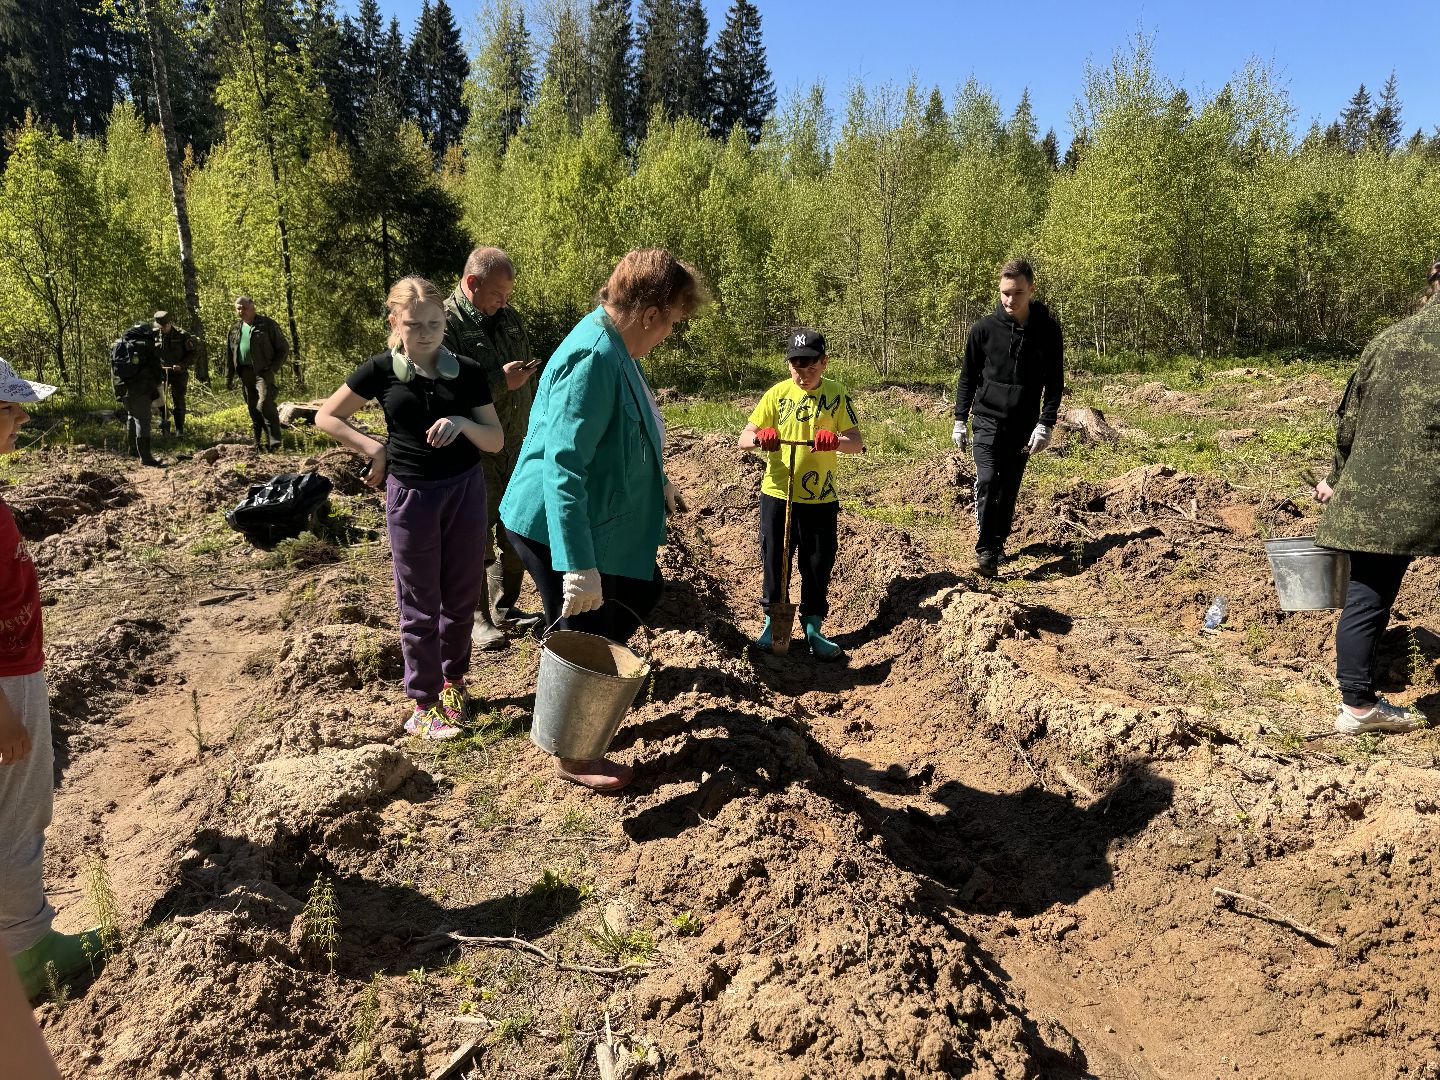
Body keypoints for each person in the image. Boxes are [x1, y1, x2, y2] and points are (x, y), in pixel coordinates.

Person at [500, 248, 705, 792]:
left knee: (638, 594)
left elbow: (629, 421)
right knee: (586, 624)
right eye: (673, 324)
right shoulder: (595, 355)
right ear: (650, 313)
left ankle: (569, 702)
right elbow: (564, 466)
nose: (668, 335)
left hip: (595, 516)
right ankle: (573, 752)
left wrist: (658, 478)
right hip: (553, 522)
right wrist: (577, 566)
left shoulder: (614, 345)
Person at [316, 277, 504, 742]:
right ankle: (424, 701)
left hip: (464, 491)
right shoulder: (380, 370)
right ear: (395, 323)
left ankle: (453, 683)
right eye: (415, 324)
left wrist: (462, 422)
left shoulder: (468, 371)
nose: (425, 333)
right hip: (412, 496)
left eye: (435, 324)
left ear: (446, 322)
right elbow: (327, 415)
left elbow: (495, 440)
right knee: (419, 603)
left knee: (460, 597)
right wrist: (373, 448)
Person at [0, 359, 103, 1003]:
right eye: (11, 410)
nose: (23, 418)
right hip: (5, 681)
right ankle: (26, 949)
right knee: (17, 807)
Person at [1313, 282, 1439, 735]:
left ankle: (1358, 708)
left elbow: (1348, 421)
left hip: (1373, 498)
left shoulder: (1388, 341)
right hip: (1429, 494)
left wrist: (1336, 478)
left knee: (1367, 598)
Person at [739, 329, 864, 660]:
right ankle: (774, 623)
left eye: (810, 366)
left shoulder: (836, 396)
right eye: (796, 366)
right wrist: (761, 437)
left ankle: (813, 625)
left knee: (817, 560)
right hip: (778, 493)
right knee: (775, 557)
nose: (802, 373)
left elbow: (857, 441)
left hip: (820, 497)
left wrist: (835, 440)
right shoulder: (777, 395)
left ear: (823, 363)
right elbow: (744, 438)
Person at [442, 247, 542, 650]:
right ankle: (477, 618)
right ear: (472, 282)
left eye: (508, 293)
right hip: (473, 450)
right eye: (498, 292)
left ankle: (505, 607)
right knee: (474, 535)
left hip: (516, 442)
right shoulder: (445, 323)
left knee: (518, 527)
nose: (505, 301)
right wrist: (500, 383)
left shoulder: (509, 319)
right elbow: (444, 391)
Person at [951, 258, 1064, 578]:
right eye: (1004, 293)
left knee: (1008, 486)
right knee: (987, 479)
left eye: (1017, 293)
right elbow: (968, 377)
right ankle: (986, 550)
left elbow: (1055, 382)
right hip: (986, 418)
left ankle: (998, 542)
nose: (1009, 300)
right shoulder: (983, 330)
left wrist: (1046, 423)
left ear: (1031, 289)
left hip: (1024, 422)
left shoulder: (1047, 331)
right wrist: (960, 419)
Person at [226, 296, 288, 451]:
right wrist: (229, 376)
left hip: (263, 371)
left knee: (265, 402)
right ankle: (258, 442)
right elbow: (229, 354)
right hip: (244, 372)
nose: (241, 311)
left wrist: (273, 368)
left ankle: (274, 441)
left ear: (253, 308)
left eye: (244, 308)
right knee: (253, 407)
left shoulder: (267, 325)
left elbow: (283, 348)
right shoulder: (235, 329)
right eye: (238, 308)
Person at [111, 321, 165, 467]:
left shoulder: (118, 344)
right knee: (143, 420)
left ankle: (133, 451)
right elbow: (155, 368)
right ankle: (146, 458)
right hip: (140, 389)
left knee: (131, 416)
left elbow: (114, 369)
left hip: (123, 388)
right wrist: (158, 383)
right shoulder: (146, 345)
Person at [153, 310, 206, 437]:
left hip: (178, 373)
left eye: (164, 326)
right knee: (159, 399)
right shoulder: (153, 335)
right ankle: (164, 423)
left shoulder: (182, 335)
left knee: (178, 399)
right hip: (161, 372)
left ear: (170, 323)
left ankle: (179, 429)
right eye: (160, 326)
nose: (162, 328)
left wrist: (182, 364)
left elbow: (194, 353)